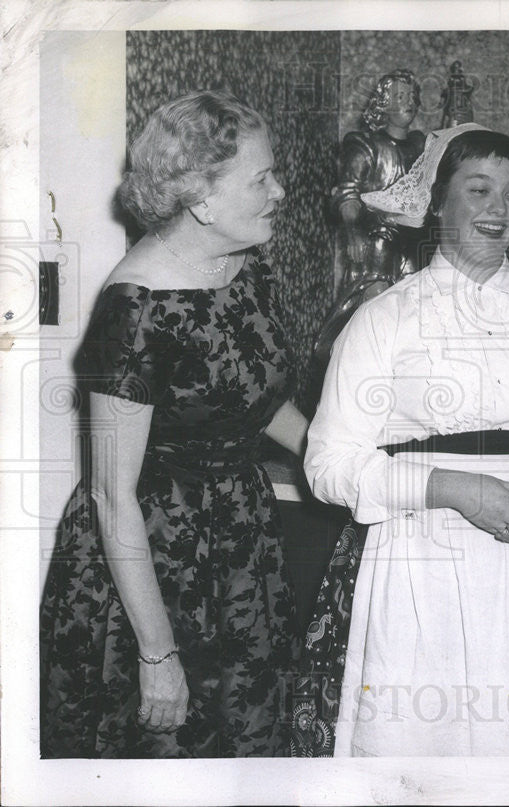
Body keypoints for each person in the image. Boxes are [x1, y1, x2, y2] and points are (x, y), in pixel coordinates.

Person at [303, 123, 509, 757]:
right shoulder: (385, 316)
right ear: (438, 202)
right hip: (424, 557)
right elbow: (329, 464)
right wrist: (454, 489)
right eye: (478, 190)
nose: (498, 210)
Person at [39, 90, 308, 757]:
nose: (281, 188)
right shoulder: (134, 311)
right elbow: (110, 493)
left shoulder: (246, 267)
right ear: (201, 199)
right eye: (261, 177)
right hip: (150, 559)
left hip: (240, 541)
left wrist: (347, 463)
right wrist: (157, 653)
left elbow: (256, 400)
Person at [332, 68, 426, 294]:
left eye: (412, 96)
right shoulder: (367, 146)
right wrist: (354, 232)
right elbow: (348, 193)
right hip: (376, 239)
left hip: (413, 241)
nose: (409, 102)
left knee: (413, 299)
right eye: (400, 97)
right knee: (374, 299)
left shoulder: (420, 146)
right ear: (384, 103)